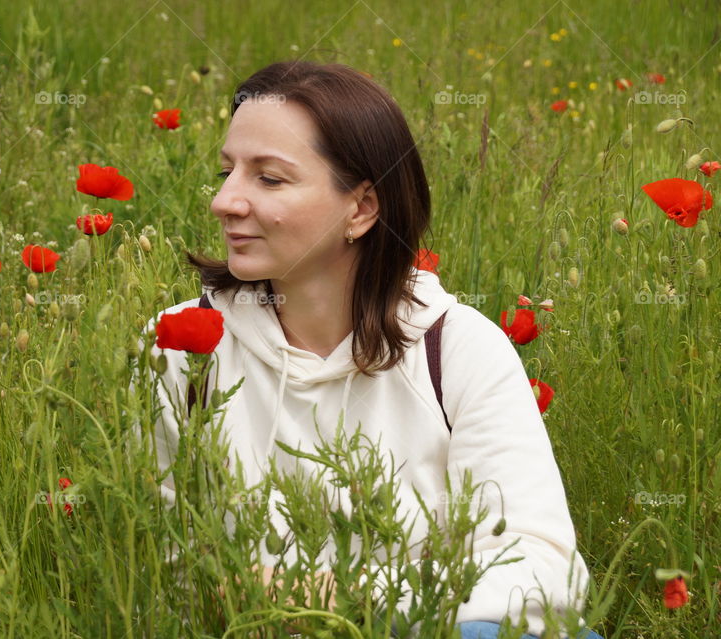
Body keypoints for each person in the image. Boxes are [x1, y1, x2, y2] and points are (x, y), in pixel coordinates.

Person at [142, 60, 603, 639]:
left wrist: (337, 595)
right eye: (227, 170)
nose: (225, 201)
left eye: (269, 178)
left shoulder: (457, 349)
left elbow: (540, 573)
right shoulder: (181, 349)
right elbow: (156, 567)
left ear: (361, 208)